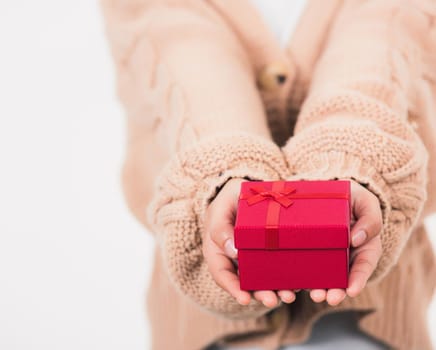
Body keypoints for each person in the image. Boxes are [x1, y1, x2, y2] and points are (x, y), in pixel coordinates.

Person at [99, 0, 436, 349]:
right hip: (207, 332)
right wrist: (221, 172)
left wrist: (352, 160)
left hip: (366, 324)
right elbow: (184, 55)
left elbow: (380, 42)